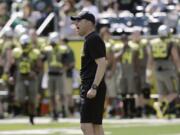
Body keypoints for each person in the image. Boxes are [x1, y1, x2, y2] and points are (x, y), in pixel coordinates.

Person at [71, 11, 107, 135]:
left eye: (79, 21)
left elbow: (102, 63)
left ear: (89, 23)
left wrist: (94, 87)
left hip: (92, 86)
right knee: (95, 125)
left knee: (86, 125)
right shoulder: (91, 39)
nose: (76, 24)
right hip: (92, 86)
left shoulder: (93, 39)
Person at [148, 25, 180, 118]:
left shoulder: (153, 43)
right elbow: (176, 58)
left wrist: (149, 72)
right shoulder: (171, 42)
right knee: (175, 92)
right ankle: (161, 104)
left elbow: (150, 59)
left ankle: (162, 111)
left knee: (162, 92)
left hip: (157, 69)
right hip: (168, 69)